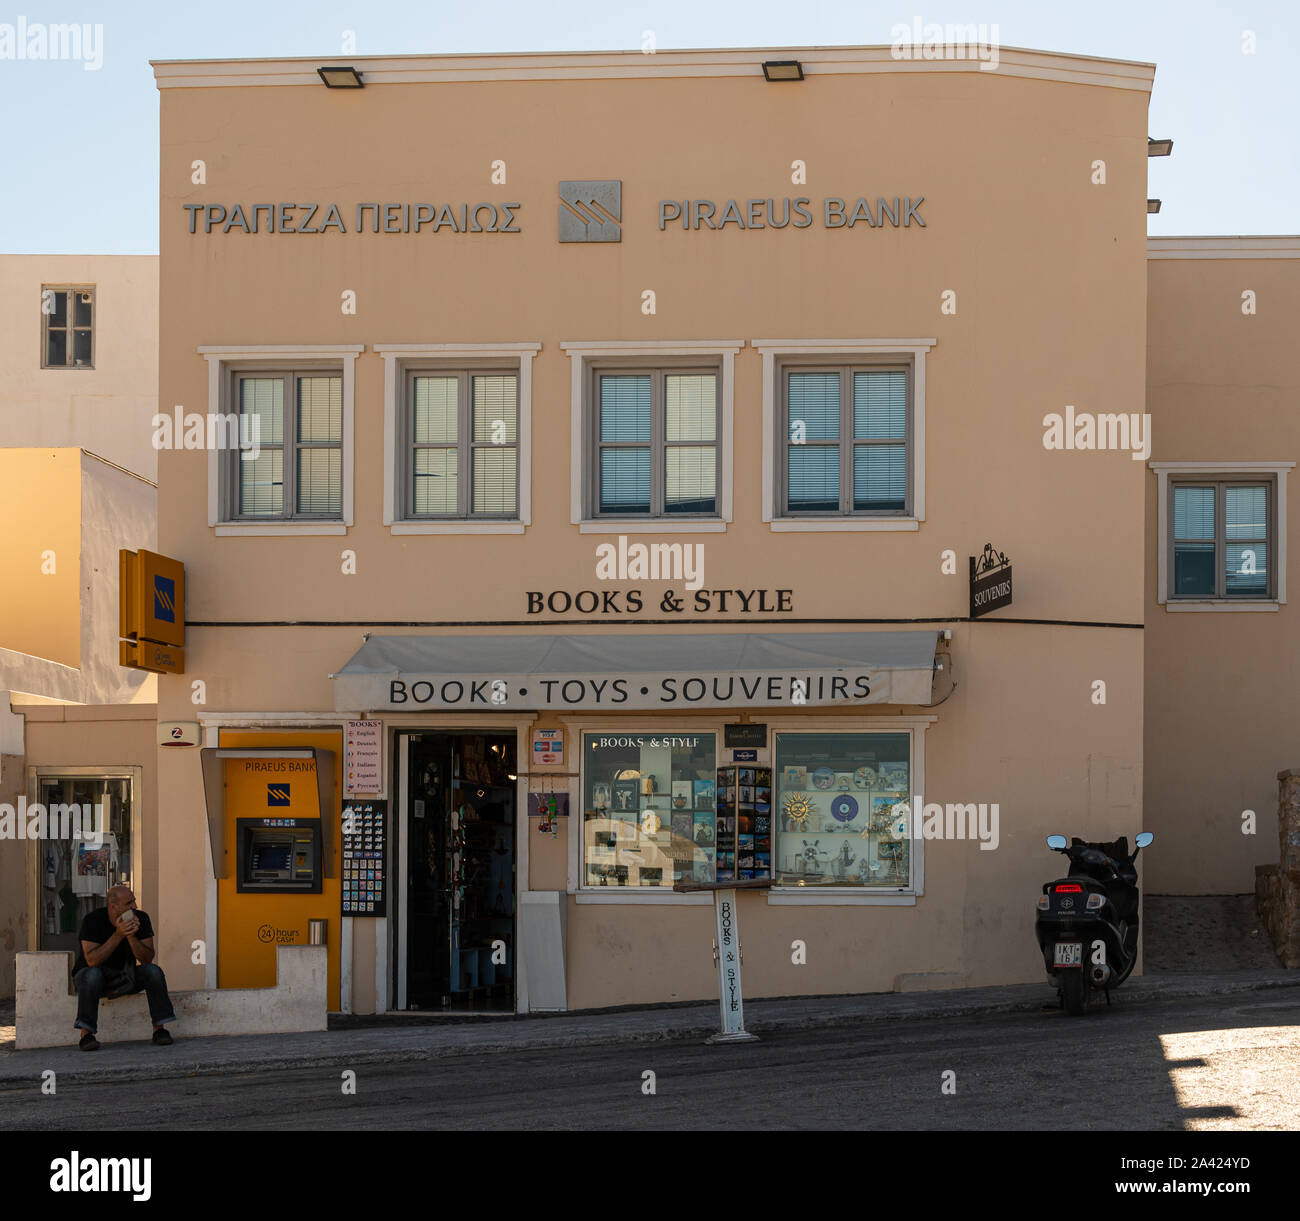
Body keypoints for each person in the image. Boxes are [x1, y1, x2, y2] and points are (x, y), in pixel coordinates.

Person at [72, 884, 177, 1051]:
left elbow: (147, 959)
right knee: (92, 974)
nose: (134, 906)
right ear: (114, 907)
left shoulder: (141, 918)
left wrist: (131, 936)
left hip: (124, 975)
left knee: (153, 972)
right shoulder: (93, 920)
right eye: (129, 903)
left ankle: (160, 1030)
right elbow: (92, 960)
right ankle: (86, 1034)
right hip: (91, 979)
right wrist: (118, 935)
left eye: (134, 901)